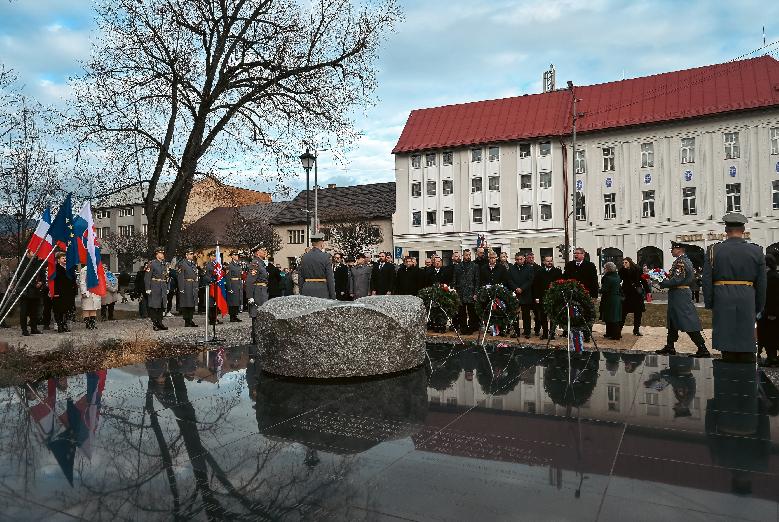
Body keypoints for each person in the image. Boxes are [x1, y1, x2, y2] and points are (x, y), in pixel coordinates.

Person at [703, 213, 767, 362]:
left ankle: (727, 368)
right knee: (746, 334)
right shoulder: (756, 250)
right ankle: (747, 369)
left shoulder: (713, 250)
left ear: (726, 230)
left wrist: (710, 302)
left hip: (722, 296)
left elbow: (707, 280)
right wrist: (759, 306)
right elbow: (762, 283)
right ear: (743, 229)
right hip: (747, 297)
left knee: (726, 336)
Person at [656, 242, 709, 357]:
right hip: (677, 294)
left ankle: (702, 348)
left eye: (673, 249)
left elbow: (677, 280)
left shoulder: (681, 262)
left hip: (680, 294)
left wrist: (663, 283)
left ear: (680, 249)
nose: (671, 251)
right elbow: (674, 277)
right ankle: (670, 346)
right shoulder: (680, 261)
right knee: (673, 320)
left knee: (687, 320)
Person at [533, 255, 562, 340]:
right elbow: (536, 285)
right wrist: (537, 297)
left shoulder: (557, 272)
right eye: (548, 261)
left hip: (554, 297)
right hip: (542, 297)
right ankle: (545, 333)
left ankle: (552, 334)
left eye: (551, 261)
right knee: (543, 317)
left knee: (553, 317)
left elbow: (560, 284)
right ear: (544, 262)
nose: (549, 262)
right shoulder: (539, 272)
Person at [757, 254, 779, 366]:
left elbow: (774, 297)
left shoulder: (772, 277)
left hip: (771, 313)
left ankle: (772, 358)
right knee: (769, 335)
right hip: (768, 312)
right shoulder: (770, 276)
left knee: (771, 336)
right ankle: (771, 357)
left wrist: (772, 313)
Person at [299, 233, 335, 299]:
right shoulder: (326, 256)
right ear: (321, 243)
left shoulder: (304, 257)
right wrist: (333, 296)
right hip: (322, 290)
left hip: (306, 289)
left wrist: (301, 292)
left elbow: (300, 277)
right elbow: (330, 278)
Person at [245, 247, 270, 343]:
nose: (265, 252)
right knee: (256, 314)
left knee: (261, 314)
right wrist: (250, 296)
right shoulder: (255, 264)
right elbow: (249, 281)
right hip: (257, 292)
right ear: (257, 253)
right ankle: (256, 338)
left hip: (262, 290)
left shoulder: (261, 263)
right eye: (263, 251)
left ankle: (260, 336)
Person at [619, 257, 648, 336]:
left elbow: (643, 280)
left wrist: (648, 291)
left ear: (630, 262)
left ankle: (636, 330)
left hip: (636, 293)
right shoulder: (622, 270)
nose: (624, 264)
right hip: (627, 293)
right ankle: (619, 330)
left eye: (626, 262)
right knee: (623, 312)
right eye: (623, 263)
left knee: (638, 313)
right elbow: (619, 279)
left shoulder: (637, 269)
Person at [508, 253, 534, 338]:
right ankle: (516, 332)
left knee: (526, 314)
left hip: (525, 294)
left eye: (521, 259)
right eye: (517, 259)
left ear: (524, 259)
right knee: (515, 314)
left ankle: (527, 332)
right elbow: (509, 280)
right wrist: (516, 288)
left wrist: (522, 288)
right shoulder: (511, 269)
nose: (519, 261)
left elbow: (530, 280)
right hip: (515, 294)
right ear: (515, 260)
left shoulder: (529, 268)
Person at [454, 249, 480, 334]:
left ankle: (471, 329)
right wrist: (454, 291)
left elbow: (477, 281)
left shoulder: (475, 266)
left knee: (471, 312)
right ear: (463, 255)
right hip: (460, 292)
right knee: (461, 312)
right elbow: (454, 280)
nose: (468, 256)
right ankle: (463, 329)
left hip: (471, 292)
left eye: (469, 255)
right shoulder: (458, 266)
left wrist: (476, 293)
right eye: (466, 255)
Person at [18, 251, 43, 336]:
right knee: (24, 311)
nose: (35, 253)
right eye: (33, 251)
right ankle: (24, 329)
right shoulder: (23, 263)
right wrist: (33, 283)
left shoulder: (37, 262)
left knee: (34, 311)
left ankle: (34, 328)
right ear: (28, 252)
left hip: (35, 291)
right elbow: (23, 277)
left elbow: (41, 273)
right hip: (25, 291)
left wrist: (41, 282)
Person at [145, 247, 169, 331]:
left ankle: (160, 322)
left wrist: (167, 287)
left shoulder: (164, 264)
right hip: (154, 286)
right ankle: (154, 323)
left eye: (163, 253)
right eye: (161, 253)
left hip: (162, 286)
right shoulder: (152, 263)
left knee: (161, 306)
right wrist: (147, 288)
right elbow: (147, 277)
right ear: (157, 254)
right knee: (154, 306)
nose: (162, 254)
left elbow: (167, 277)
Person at [51, 252, 75, 333]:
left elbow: (73, 280)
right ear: (58, 260)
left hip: (68, 293)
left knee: (66, 310)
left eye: (65, 258)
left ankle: (64, 325)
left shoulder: (69, 268)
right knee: (58, 310)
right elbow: (54, 281)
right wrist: (55, 292)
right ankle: (59, 326)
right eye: (63, 258)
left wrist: (74, 290)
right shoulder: (55, 268)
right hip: (58, 292)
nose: (65, 259)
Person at [600, 261, 622, 340]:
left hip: (610, 299)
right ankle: (610, 333)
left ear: (608, 269)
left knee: (612, 317)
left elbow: (604, 289)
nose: (604, 269)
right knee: (613, 316)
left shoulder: (608, 278)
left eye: (605, 268)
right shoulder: (617, 276)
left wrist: (598, 290)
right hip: (616, 298)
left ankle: (615, 335)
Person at [177, 249, 199, 327]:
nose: (192, 255)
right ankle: (187, 320)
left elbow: (196, 276)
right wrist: (181, 288)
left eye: (192, 254)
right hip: (186, 285)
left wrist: (196, 286)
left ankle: (190, 319)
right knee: (186, 303)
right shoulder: (182, 264)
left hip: (193, 285)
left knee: (192, 303)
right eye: (190, 254)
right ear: (186, 255)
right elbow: (180, 277)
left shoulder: (193, 264)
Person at [525, 252, 543, 335]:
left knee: (537, 313)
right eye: (529, 257)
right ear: (526, 258)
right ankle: (527, 330)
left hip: (536, 294)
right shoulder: (524, 267)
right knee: (526, 313)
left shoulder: (538, 268)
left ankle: (537, 329)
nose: (531, 259)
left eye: (532, 257)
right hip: (526, 293)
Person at [79, 264, 101, 330]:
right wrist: (83, 292)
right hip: (88, 292)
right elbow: (82, 282)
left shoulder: (96, 269)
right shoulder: (84, 270)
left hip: (95, 291)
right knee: (87, 308)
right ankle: (88, 324)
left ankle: (92, 324)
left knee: (93, 308)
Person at [225, 251, 244, 322]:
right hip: (233, 284)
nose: (237, 256)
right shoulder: (229, 266)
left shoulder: (238, 265)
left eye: (237, 255)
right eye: (235, 255)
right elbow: (227, 278)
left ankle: (235, 315)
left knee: (237, 300)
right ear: (232, 256)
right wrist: (229, 288)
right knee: (232, 301)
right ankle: (232, 316)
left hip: (238, 284)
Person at [0, 262, 9, 328]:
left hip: (3, 290)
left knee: (3, 306)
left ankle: (3, 322)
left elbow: (8, 277)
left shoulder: (4, 268)